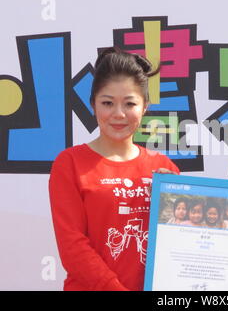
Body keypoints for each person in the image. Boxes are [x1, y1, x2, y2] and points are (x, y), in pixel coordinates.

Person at [48, 47, 180, 291]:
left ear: (145, 107)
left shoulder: (164, 168)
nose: (118, 114)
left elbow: (183, 243)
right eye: (107, 103)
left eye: (129, 103)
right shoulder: (70, 163)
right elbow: (72, 247)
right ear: (93, 105)